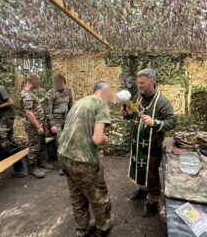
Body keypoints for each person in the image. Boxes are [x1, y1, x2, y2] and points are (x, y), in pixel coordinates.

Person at [58, 81, 114, 237]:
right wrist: (104, 140)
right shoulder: (101, 104)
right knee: (97, 195)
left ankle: (81, 229)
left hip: (64, 155)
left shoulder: (80, 102)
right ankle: (104, 227)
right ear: (104, 90)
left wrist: (99, 136)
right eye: (110, 92)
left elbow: (77, 128)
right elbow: (97, 139)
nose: (111, 96)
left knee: (77, 195)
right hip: (83, 160)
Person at [122, 68, 176, 218]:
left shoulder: (162, 102)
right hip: (138, 144)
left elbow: (171, 122)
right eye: (137, 82)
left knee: (152, 174)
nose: (138, 85)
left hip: (153, 146)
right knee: (139, 168)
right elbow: (133, 114)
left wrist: (154, 122)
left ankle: (153, 201)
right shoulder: (138, 98)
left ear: (152, 82)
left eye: (142, 83)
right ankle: (143, 189)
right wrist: (127, 115)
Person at [20, 73, 53, 179]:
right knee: (34, 146)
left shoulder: (30, 93)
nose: (39, 83)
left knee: (42, 144)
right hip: (34, 126)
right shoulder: (26, 95)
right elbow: (29, 113)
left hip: (39, 123)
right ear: (32, 81)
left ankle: (42, 162)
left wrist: (43, 99)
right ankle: (33, 167)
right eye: (37, 81)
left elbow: (35, 104)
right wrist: (38, 126)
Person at [45, 74, 73, 175]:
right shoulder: (50, 94)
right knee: (60, 142)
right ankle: (62, 167)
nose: (60, 85)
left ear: (65, 83)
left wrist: (72, 121)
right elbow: (48, 111)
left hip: (66, 120)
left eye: (61, 83)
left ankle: (70, 164)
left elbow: (71, 107)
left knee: (68, 141)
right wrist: (52, 124)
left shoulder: (68, 93)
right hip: (55, 121)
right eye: (58, 83)